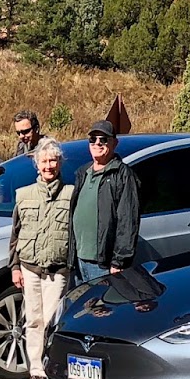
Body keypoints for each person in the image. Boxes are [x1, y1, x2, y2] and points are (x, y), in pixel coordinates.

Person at [9, 139, 72, 379]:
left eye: (53, 160)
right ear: (37, 165)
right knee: (33, 320)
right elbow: (15, 234)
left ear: (60, 163)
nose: (49, 166)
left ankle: (50, 370)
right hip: (30, 267)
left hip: (58, 270)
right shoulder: (23, 195)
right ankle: (35, 371)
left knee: (51, 321)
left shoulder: (71, 194)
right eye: (44, 161)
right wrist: (14, 267)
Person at [66, 120, 141, 286]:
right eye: (93, 139)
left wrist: (119, 261)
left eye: (103, 139)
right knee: (82, 302)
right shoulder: (82, 173)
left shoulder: (122, 175)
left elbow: (127, 221)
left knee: (101, 302)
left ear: (114, 143)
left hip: (103, 265)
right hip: (78, 261)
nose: (97, 143)